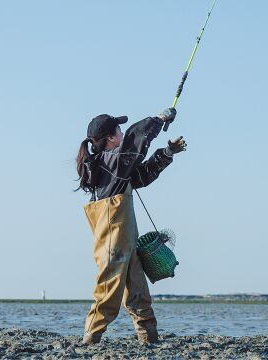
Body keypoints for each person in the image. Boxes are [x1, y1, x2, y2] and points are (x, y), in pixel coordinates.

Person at [75, 108, 187, 345]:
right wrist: (158, 119)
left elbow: (141, 176)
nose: (122, 131)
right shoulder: (109, 161)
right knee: (109, 286)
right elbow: (134, 141)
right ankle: (91, 336)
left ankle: (148, 336)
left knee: (137, 286)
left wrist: (167, 153)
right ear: (110, 138)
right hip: (113, 238)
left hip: (125, 237)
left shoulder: (114, 163)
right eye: (118, 129)